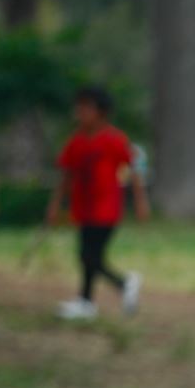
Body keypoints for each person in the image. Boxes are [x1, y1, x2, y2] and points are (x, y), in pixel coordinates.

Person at [48, 85, 149, 321]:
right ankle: (87, 301)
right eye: (79, 107)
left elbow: (134, 170)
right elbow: (66, 175)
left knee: (90, 256)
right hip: (83, 207)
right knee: (87, 255)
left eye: (86, 108)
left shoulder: (114, 140)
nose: (80, 112)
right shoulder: (76, 142)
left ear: (101, 112)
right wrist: (55, 205)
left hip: (106, 209)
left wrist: (141, 202)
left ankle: (120, 285)